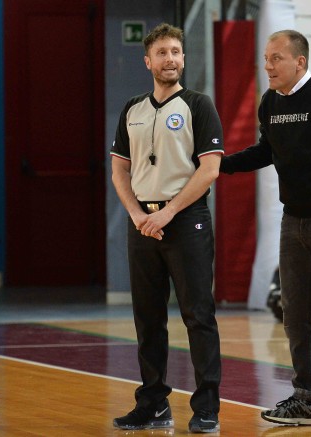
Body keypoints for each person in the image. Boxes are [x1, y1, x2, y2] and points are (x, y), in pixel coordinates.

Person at [220, 29, 311, 430]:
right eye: (265, 59)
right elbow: (266, 151)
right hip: (295, 221)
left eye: (276, 58)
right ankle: (305, 400)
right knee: (295, 315)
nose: (267, 66)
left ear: (299, 61)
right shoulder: (270, 103)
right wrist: (220, 165)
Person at [109, 23, 223, 433]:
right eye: (162, 53)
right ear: (148, 61)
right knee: (148, 317)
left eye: (176, 51)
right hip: (144, 224)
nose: (170, 59)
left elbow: (209, 170)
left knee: (198, 315)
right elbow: (119, 170)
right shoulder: (132, 109)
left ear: (183, 58)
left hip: (186, 221)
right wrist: (138, 215)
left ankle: (207, 408)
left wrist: (168, 212)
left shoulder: (198, 105)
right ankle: (153, 404)